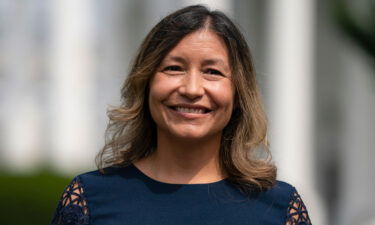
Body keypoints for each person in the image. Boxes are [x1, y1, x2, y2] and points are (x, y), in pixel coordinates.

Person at [51, 5, 311, 225]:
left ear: (238, 94)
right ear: (146, 83)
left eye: (212, 72)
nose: (192, 89)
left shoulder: (279, 208)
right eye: (174, 68)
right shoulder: (89, 199)